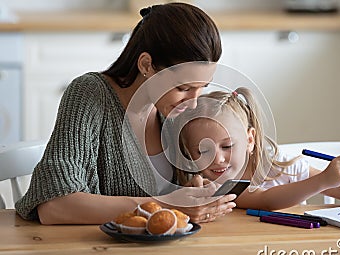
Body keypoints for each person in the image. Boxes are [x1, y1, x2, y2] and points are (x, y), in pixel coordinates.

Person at [15, 3, 236, 225]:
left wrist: (194, 194)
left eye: (202, 87)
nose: (193, 102)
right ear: (146, 65)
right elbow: (54, 206)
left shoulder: (174, 113)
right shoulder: (89, 94)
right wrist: (166, 205)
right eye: (183, 88)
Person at [174, 87, 340, 213]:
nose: (218, 160)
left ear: (250, 140)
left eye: (227, 146)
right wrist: (323, 181)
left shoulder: (279, 165)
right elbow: (266, 201)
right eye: (203, 151)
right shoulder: (211, 184)